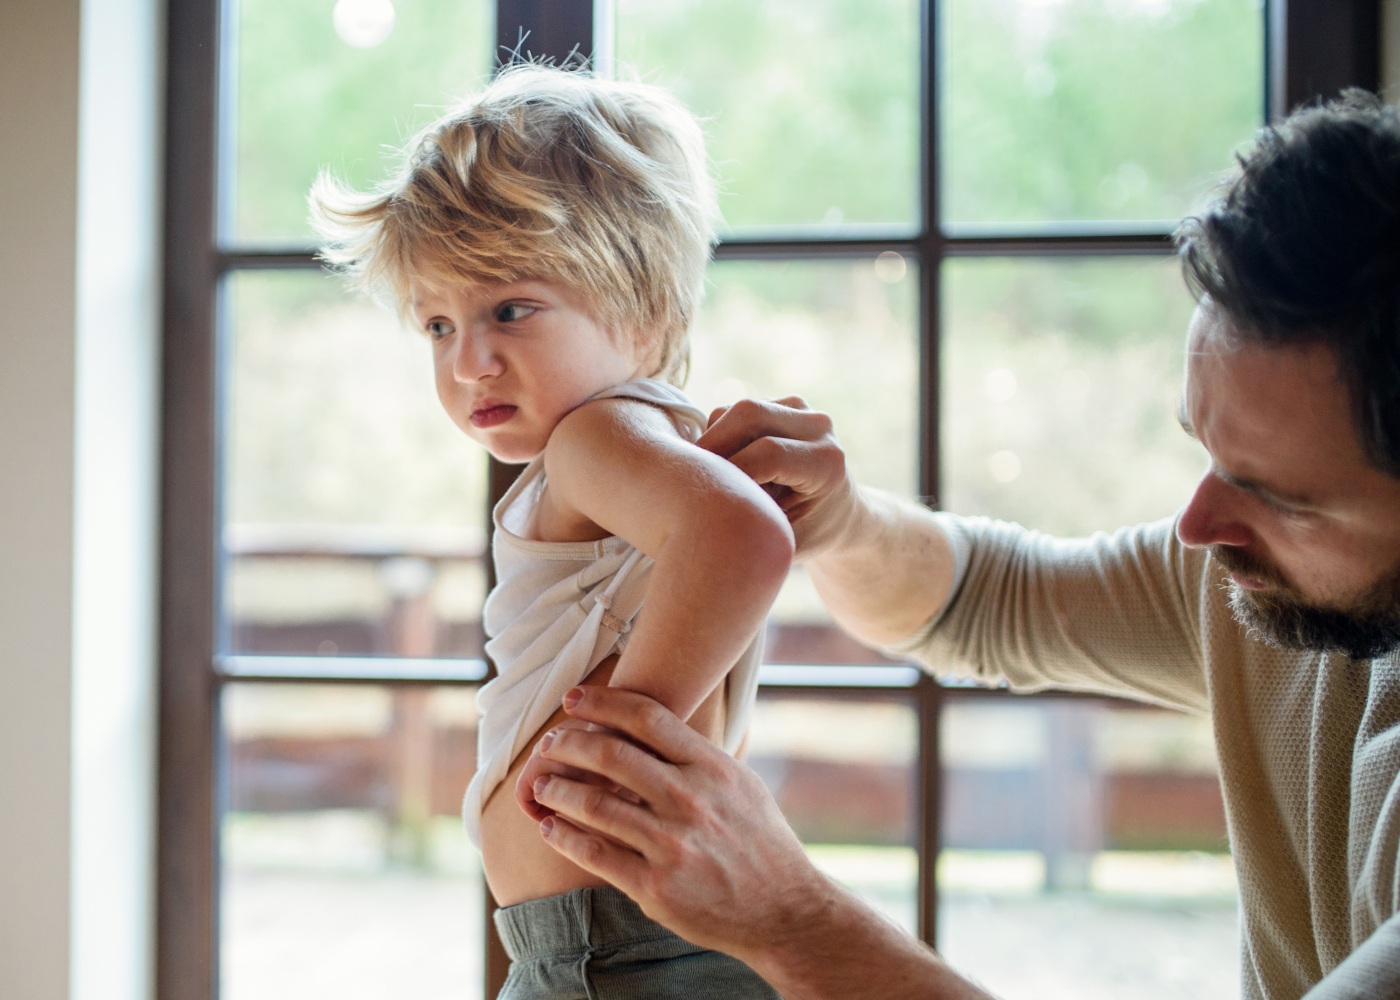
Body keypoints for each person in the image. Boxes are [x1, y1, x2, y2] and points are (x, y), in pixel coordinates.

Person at [521, 89, 1400, 1000]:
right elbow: (989, 599)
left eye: (1278, 497)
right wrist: (846, 522)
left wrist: (795, 921)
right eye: (1205, 448)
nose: (1198, 526)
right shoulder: (1256, 580)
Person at [310, 65, 793, 999]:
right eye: (439, 325)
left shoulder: (596, 437)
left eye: (510, 310)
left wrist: (609, 756)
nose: (470, 361)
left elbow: (745, 539)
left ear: (645, 312)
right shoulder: (629, 443)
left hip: (614, 950)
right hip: (605, 943)